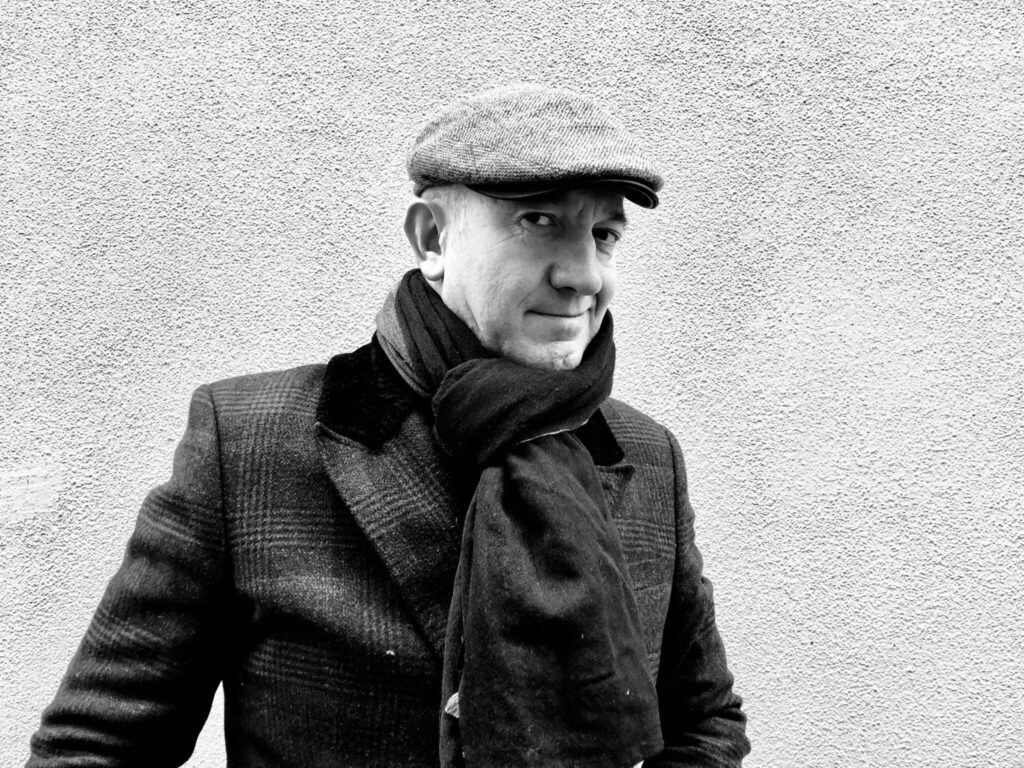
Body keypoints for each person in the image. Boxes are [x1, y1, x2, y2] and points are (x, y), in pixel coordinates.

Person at [27, 83, 750, 767]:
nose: (584, 276)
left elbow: (704, 722)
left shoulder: (645, 456)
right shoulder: (249, 444)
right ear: (432, 238)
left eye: (605, 234)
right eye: (539, 221)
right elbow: (98, 744)